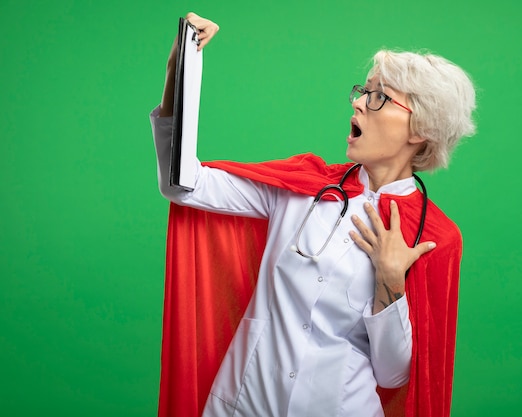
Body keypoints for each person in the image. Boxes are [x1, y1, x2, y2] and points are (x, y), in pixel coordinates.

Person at [151, 12, 476, 417]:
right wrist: (178, 71)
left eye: (379, 96)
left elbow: (394, 376)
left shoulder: (434, 236)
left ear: (419, 129)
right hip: (242, 403)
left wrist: (391, 281)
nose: (358, 101)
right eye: (363, 90)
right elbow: (183, 184)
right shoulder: (305, 186)